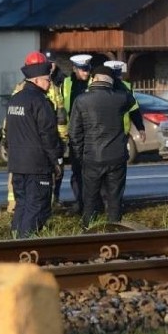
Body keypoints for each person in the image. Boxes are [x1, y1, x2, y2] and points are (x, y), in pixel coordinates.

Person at [69, 65, 138, 229]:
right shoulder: (120, 97)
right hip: (117, 157)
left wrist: (80, 156)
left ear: (94, 79)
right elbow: (131, 100)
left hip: (92, 157)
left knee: (90, 198)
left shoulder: (81, 100)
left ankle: (88, 229)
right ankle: (114, 229)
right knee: (115, 198)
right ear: (111, 81)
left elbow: (74, 133)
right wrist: (116, 83)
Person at [5, 53, 63, 238]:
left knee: (22, 204)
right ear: (37, 80)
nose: (49, 83)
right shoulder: (40, 102)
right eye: (47, 80)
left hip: (17, 164)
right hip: (37, 165)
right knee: (38, 206)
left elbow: (9, 133)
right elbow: (48, 135)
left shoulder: (15, 100)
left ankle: (15, 240)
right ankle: (26, 244)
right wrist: (57, 161)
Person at [62, 54, 93, 214]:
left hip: (92, 134)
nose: (86, 73)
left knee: (92, 171)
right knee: (77, 171)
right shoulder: (66, 84)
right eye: (82, 70)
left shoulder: (94, 82)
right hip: (74, 135)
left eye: (87, 69)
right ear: (74, 69)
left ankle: (93, 204)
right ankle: (79, 202)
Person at [104, 59, 146, 144]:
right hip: (105, 134)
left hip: (123, 133)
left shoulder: (126, 87)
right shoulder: (101, 87)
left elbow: (134, 109)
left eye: (119, 74)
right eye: (116, 75)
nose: (119, 77)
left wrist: (140, 128)